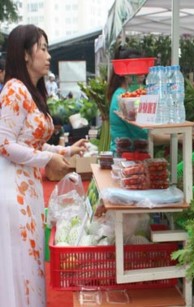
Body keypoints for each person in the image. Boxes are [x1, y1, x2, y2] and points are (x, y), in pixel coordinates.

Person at [0, 24, 88, 306]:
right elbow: (4, 144)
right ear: (26, 54)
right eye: (43, 48)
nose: (48, 55)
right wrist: (47, 158)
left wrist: (64, 149)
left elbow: (31, 142)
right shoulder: (14, 89)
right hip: (13, 190)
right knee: (21, 267)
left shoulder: (30, 91)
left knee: (32, 262)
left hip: (29, 188)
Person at [107, 46, 169, 152]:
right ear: (127, 74)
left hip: (131, 156)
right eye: (139, 71)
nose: (143, 75)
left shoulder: (129, 94)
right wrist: (177, 138)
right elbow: (144, 133)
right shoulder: (122, 98)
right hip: (125, 158)